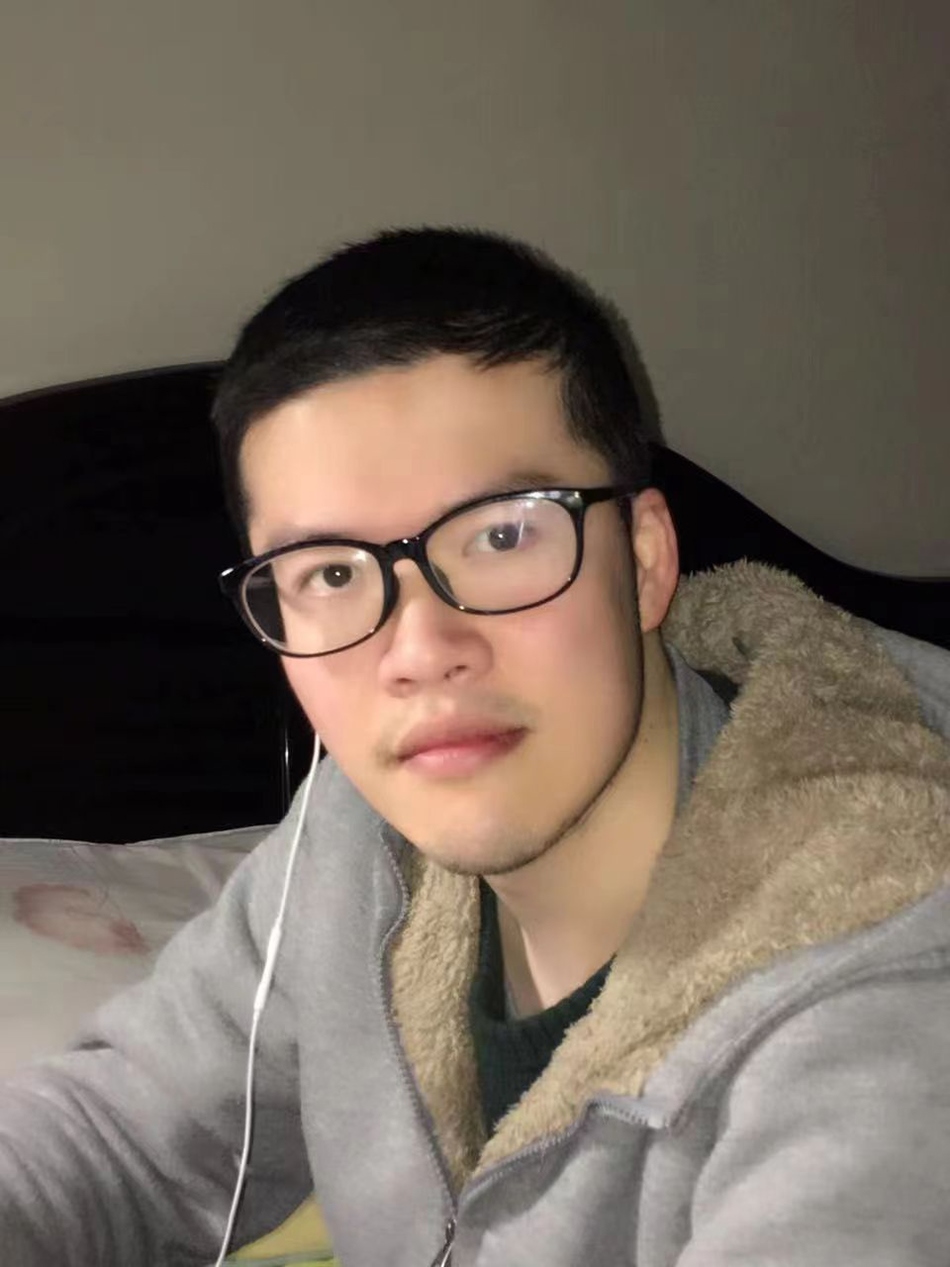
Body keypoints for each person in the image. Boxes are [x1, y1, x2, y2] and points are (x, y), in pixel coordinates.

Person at [2, 227, 949, 1267]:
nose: (419, 652)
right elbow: (119, 1142)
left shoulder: (888, 998)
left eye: (502, 534)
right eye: (329, 573)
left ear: (643, 562)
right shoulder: (353, 837)